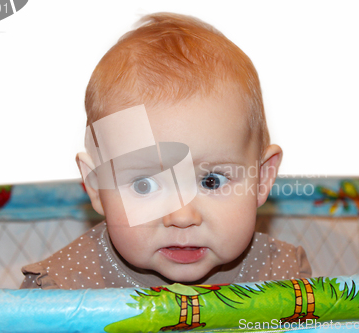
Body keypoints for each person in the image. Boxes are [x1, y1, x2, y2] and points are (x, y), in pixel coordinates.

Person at [20, 12, 311, 290]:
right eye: (144, 185)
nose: (182, 216)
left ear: (262, 179)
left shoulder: (287, 280)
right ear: (96, 186)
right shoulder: (60, 289)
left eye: (212, 181)